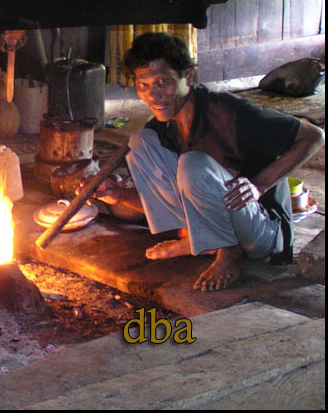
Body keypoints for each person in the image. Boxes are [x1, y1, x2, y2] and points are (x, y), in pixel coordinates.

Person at [92, 32, 324, 291]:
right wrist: (119, 195)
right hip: (223, 221)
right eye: (143, 85)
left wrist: (259, 185)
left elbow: (314, 136)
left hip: (262, 232)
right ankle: (198, 239)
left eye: (163, 81)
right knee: (140, 142)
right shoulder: (163, 127)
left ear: (188, 76)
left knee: (193, 164)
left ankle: (229, 251)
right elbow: (166, 200)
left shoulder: (228, 112)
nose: (153, 95)